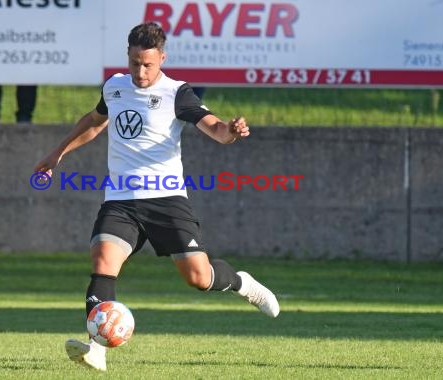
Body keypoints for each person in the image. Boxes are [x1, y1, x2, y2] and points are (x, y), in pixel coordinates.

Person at [33, 22, 279, 372]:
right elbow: (94, 121)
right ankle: (96, 347)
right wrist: (57, 153)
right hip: (121, 200)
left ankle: (242, 283)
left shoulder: (177, 93)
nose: (141, 71)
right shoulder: (114, 87)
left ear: (162, 58)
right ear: (128, 57)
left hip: (166, 200)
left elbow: (215, 128)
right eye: (135, 62)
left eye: (148, 64)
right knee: (103, 262)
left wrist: (232, 132)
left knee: (198, 277)